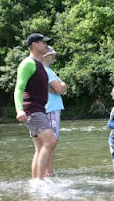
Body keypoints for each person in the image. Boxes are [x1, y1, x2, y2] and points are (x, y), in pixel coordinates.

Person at [14, 32, 57, 180]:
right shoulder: (28, 63)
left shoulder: (39, 65)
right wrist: (19, 109)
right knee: (50, 141)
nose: (46, 45)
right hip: (32, 109)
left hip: (39, 109)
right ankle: (40, 183)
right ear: (34, 44)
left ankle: (35, 183)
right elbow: (19, 88)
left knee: (40, 148)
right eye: (43, 42)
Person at [42, 46, 67, 176]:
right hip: (51, 109)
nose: (54, 57)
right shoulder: (47, 71)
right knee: (51, 143)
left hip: (48, 109)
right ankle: (49, 173)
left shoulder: (48, 70)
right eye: (52, 55)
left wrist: (60, 85)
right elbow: (61, 89)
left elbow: (62, 86)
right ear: (46, 55)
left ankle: (48, 173)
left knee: (48, 144)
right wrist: (60, 85)